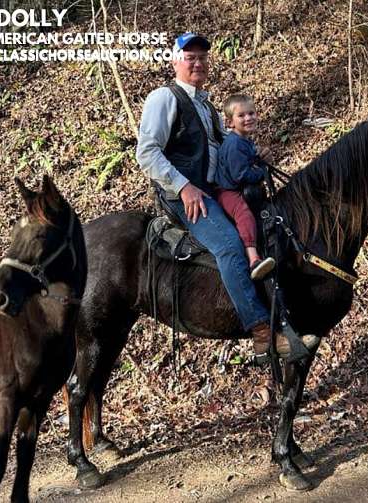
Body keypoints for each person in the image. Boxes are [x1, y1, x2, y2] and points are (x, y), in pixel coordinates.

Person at [135, 32, 318, 363]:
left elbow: (220, 149)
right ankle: (263, 334)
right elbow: (146, 153)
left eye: (202, 57)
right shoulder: (164, 98)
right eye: (190, 57)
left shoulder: (205, 105)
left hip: (211, 188)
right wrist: (183, 186)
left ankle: (288, 319)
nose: (198, 62)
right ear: (175, 60)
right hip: (185, 195)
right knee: (231, 246)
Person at [215, 93, 275, 281]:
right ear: (230, 122)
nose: (248, 118)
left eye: (251, 113)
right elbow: (240, 176)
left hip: (237, 187)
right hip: (227, 191)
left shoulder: (245, 140)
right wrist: (262, 171)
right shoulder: (234, 144)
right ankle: (253, 258)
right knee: (244, 213)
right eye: (241, 116)